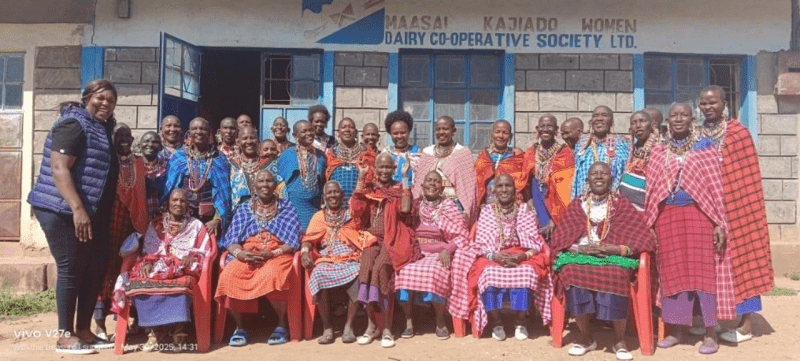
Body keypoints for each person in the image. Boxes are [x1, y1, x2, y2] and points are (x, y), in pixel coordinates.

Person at [28, 79, 119, 354]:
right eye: (100, 98)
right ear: (87, 97)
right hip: (60, 209)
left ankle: (83, 330)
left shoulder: (100, 127)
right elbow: (60, 168)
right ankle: (64, 336)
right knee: (71, 268)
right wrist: (78, 209)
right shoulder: (73, 124)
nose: (105, 104)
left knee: (93, 267)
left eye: (111, 101)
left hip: (87, 212)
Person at [645, 102, 734, 354]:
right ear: (667, 121)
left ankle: (710, 333)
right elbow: (652, 190)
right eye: (674, 115)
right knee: (673, 274)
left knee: (703, 273)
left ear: (692, 119)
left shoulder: (705, 147)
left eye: (684, 115)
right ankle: (679, 331)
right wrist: (651, 222)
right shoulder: (660, 150)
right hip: (667, 217)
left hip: (700, 215)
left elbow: (716, 188)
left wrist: (718, 222)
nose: (679, 119)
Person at [550, 162, 655, 360]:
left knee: (615, 273)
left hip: (613, 258)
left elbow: (644, 239)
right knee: (571, 272)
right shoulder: (577, 204)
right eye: (594, 174)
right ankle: (586, 337)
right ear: (587, 179)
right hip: (581, 256)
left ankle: (619, 340)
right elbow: (559, 239)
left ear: (611, 178)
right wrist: (580, 248)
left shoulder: (621, 205)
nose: (599, 177)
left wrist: (614, 249)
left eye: (604, 173)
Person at [697, 86, 773, 344]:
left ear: (724, 103)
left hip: (738, 208)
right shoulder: (698, 135)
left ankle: (746, 324)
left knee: (743, 258)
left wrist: (735, 208)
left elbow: (746, 177)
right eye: (703, 103)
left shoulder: (738, 133)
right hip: (707, 208)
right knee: (710, 264)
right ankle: (712, 319)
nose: (708, 107)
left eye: (713, 102)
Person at [111, 188, 213, 351]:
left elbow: (205, 250)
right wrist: (148, 262)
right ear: (168, 203)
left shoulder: (195, 225)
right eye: (174, 200)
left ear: (187, 204)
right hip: (158, 265)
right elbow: (149, 251)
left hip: (182, 267)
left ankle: (179, 332)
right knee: (139, 282)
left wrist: (192, 257)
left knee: (180, 281)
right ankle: (155, 333)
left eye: (182, 201)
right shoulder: (155, 224)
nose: (178, 204)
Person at [215, 169, 302, 346]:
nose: (264, 185)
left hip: (277, 253)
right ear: (254, 185)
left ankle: (281, 324)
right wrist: (241, 254)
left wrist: (271, 253)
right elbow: (231, 240)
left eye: (268, 181)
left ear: (275, 185)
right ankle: (240, 327)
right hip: (248, 253)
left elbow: (293, 242)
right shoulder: (245, 208)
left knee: (273, 274)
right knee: (228, 275)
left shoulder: (286, 207)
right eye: (260, 181)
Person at [465, 174, 552, 341]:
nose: (504, 189)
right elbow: (481, 245)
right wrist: (494, 256)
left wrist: (523, 256)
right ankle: (496, 321)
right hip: (493, 256)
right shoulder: (487, 211)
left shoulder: (525, 209)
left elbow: (535, 243)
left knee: (527, 272)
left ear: (515, 189)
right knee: (487, 274)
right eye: (500, 186)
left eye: (508, 186)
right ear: (494, 190)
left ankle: (520, 321)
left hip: (522, 255)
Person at [351, 153, 418, 348]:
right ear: (375, 167)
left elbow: (405, 209)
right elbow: (356, 209)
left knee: (381, 269)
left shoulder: (398, 188)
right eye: (381, 167)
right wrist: (361, 177)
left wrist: (406, 178)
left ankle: (387, 327)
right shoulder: (370, 188)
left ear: (394, 168)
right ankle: (371, 326)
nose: (384, 171)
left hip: (392, 240)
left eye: (388, 167)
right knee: (366, 267)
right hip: (372, 239)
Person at [396, 171, 469, 341]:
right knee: (403, 271)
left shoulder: (449, 206)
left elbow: (461, 234)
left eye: (436, 182)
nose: (432, 184)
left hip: (438, 252)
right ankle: (408, 321)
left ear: (442, 187)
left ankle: (440, 320)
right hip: (415, 251)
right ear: (421, 186)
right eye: (428, 180)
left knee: (436, 270)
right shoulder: (414, 206)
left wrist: (448, 250)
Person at [95, 123, 150, 341]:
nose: (124, 139)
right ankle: (99, 326)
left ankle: (126, 323)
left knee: (128, 273)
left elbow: (141, 195)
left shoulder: (138, 163)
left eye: (127, 135)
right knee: (102, 274)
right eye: (119, 136)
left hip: (132, 226)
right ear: (113, 139)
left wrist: (140, 227)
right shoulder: (107, 162)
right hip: (108, 226)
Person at [301, 181, 372, 345]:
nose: (333, 196)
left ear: (342, 195)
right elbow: (308, 240)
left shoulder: (352, 214)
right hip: (327, 258)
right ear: (324, 197)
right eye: (329, 193)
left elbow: (361, 234)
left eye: (336, 192)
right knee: (318, 274)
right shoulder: (319, 217)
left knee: (358, 272)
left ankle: (349, 326)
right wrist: (305, 251)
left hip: (349, 257)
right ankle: (327, 326)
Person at [163, 117, 231, 238]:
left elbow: (225, 195)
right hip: (182, 218)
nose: (198, 132)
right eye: (194, 129)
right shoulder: (179, 157)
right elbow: (170, 189)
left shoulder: (219, 158)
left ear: (209, 133)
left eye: (203, 129)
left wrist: (217, 220)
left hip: (210, 221)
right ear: (189, 133)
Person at [414, 116, 477, 223]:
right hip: (428, 208)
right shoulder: (427, 153)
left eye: (445, 129)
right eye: (438, 129)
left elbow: (469, 188)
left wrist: (467, 210)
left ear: (454, 131)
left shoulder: (462, 153)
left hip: (455, 207)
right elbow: (419, 185)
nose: (441, 132)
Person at [524, 115, 575, 240]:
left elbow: (566, 190)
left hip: (557, 204)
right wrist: (531, 211)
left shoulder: (565, 152)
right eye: (542, 126)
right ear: (537, 128)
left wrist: (555, 218)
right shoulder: (531, 152)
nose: (546, 129)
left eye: (550, 126)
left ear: (556, 129)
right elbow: (524, 183)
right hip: (536, 201)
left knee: (555, 239)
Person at [273, 120, 327, 231]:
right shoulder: (287, 154)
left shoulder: (321, 155)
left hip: (314, 207)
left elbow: (322, 182)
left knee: (312, 238)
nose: (309, 133)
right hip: (292, 207)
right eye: (304, 131)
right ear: (295, 136)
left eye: (311, 130)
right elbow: (278, 182)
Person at [572, 106, 631, 199]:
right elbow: (576, 177)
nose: (599, 119)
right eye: (596, 116)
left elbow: (626, 172)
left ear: (611, 122)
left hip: (613, 201)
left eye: (604, 115)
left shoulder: (622, 142)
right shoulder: (581, 143)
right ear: (591, 122)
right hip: (585, 200)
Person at [474, 120, 526, 206]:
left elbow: (524, 184)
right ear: (492, 135)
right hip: (486, 207)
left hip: (511, 207)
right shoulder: (483, 155)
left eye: (505, 133)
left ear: (510, 136)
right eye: (497, 132)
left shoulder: (516, 156)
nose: (500, 136)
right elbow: (478, 183)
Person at [326, 118, 375, 205]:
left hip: (361, 205)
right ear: (338, 133)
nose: (347, 130)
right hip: (336, 205)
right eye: (343, 127)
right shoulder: (331, 154)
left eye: (351, 127)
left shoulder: (366, 153)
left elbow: (373, 181)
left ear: (356, 132)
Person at [618, 111, 657, 212]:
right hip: (626, 211)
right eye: (634, 122)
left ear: (652, 125)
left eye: (642, 121)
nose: (638, 125)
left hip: (648, 210)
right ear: (630, 129)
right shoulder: (628, 150)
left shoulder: (660, 150)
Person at [230, 126, 267, 209]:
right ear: (238, 142)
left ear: (258, 140)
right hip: (237, 218)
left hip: (265, 215)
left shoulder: (268, 164)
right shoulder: (230, 165)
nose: (249, 141)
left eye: (252, 138)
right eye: (245, 138)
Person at [382, 110, 419, 186]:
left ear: (409, 131)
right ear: (390, 134)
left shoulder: (418, 153)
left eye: (403, 133)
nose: (399, 136)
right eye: (395, 133)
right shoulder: (386, 154)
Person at [140, 131, 168, 220]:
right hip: (138, 218)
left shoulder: (167, 166)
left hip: (161, 219)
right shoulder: (133, 166)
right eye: (146, 141)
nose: (150, 144)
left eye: (154, 142)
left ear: (160, 147)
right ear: (140, 144)